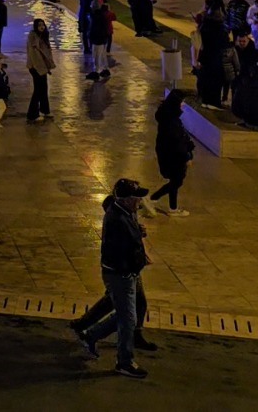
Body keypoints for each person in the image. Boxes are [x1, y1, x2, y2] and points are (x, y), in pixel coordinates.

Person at [76, 178, 152, 379]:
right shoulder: (117, 219)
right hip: (120, 274)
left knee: (127, 314)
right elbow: (126, 244)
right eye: (137, 197)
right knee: (128, 318)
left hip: (129, 271)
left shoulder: (126, 212)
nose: (140, 201)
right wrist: (139, 234)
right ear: (126, 199)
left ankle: (90, 334)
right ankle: (124, 362)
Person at [149, 91, 195, 215]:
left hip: (167, 153)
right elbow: (177, 141)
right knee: (177, 181)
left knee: (175, 180)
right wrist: (187, 156)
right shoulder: (171, 121)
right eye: (181, 102)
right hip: (173, 156)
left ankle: (171, 207)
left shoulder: (167, 116)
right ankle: (155, 199)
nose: (183, 105)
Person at [197, 5, 230, 107]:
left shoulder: (204, 26)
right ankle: (213, 101)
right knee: (216, 80)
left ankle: (204, 99)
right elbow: (224, 42)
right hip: (215, 57)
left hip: (205, 56)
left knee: (205, 78)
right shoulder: (220, 28)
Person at [25, 18, 54, 121]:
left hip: (42, 67)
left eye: (43, 25)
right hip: (36, 67)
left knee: (43, 88)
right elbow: (34, 55)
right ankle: (32, 114)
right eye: (39, 25)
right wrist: (40, 68)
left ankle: (45, 110)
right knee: (38, 90)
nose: (42, 27)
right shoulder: (33, 37)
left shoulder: (43, 36)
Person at [88, 3, 115, 79]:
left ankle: (97, 71)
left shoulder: (96, 17)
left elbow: (94, 29)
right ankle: (104, 69)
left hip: (98, 39)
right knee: (101, 55)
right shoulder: (100, 16)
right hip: (100, 39)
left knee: (97, 55)